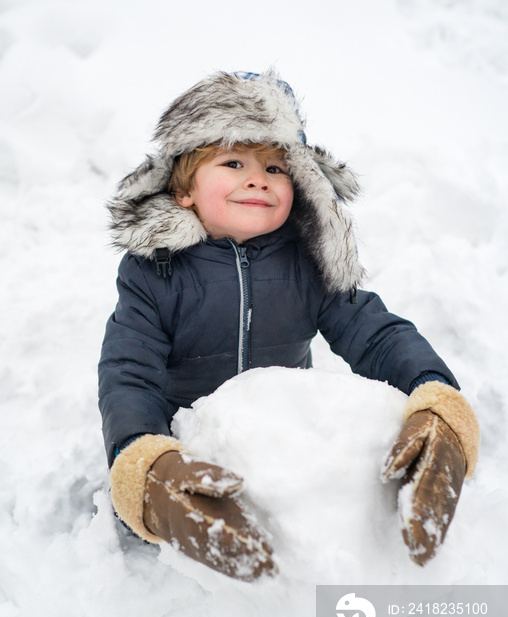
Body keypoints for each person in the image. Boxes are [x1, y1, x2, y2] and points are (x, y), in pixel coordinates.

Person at [98, 70, 480, 581]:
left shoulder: (307, 264)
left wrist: (433, 393)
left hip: (275, 441)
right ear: (183, 189)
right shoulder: (154, 271)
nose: (258, 178)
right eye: (233, 162)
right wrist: (143, 456)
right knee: (165, 556)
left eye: (276, 167)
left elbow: (376, 331)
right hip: (185, 448)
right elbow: (129, 371)